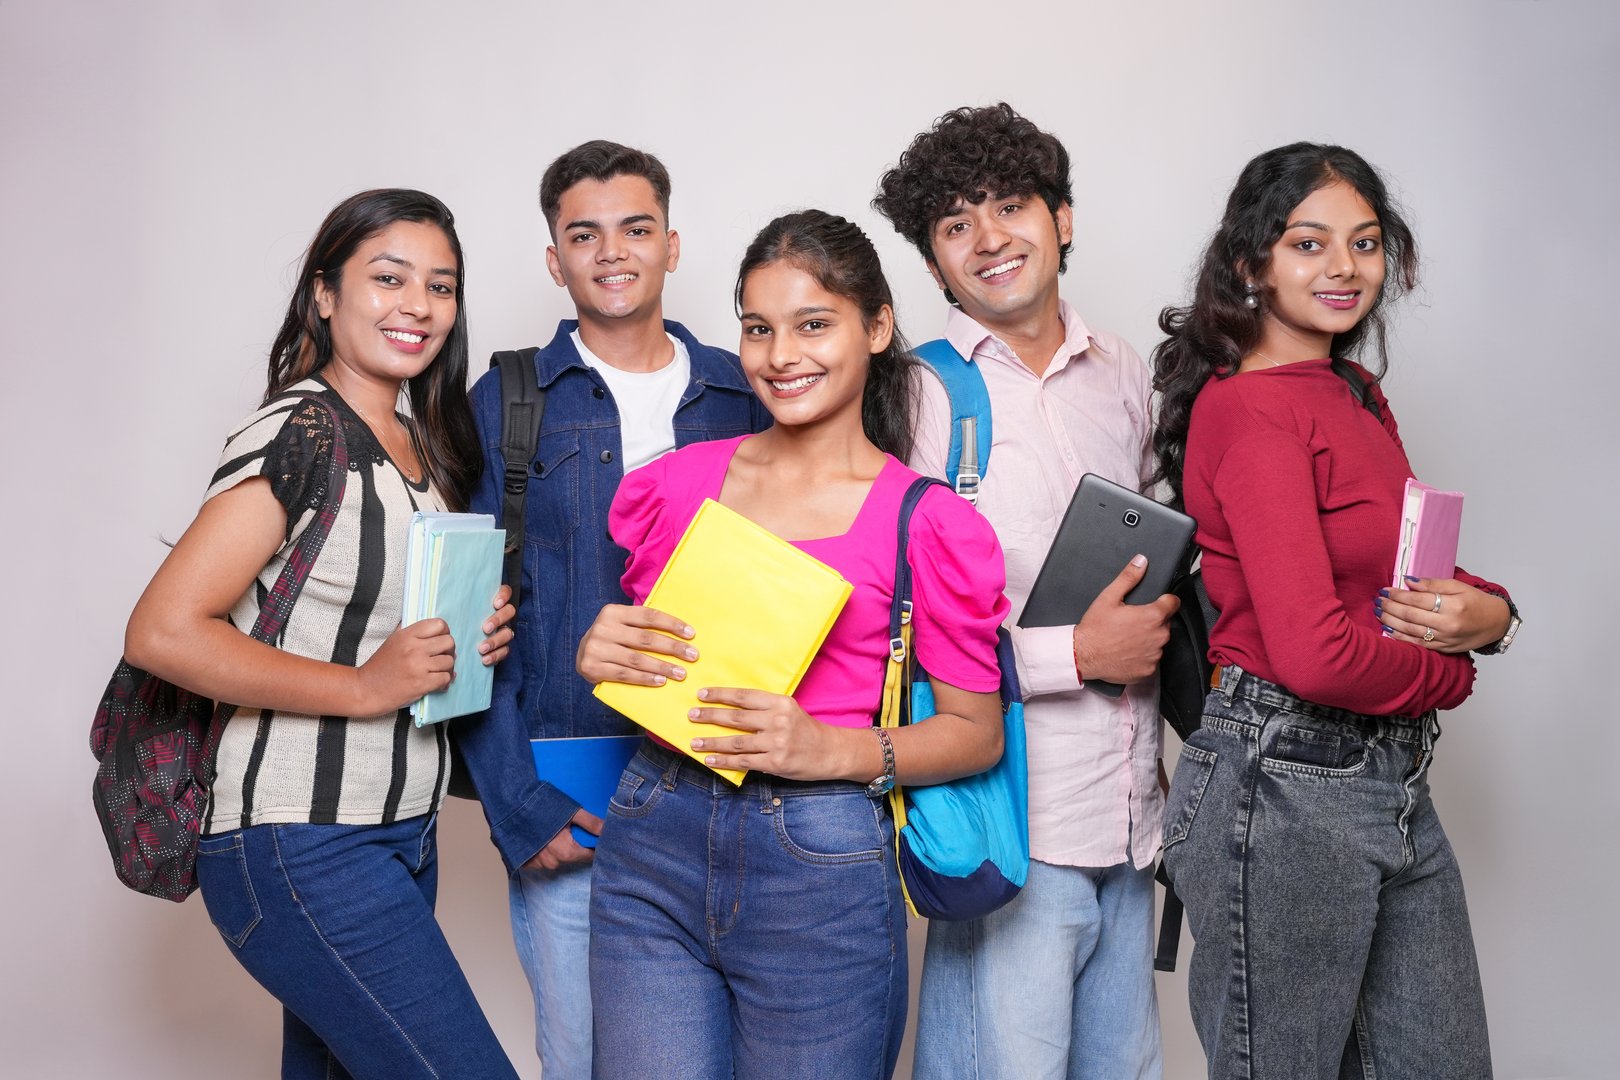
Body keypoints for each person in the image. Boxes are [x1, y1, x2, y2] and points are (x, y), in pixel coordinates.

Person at [574, 209, 1010, 1079]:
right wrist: (602, 654)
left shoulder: (928, 523)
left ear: (877, 328)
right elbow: (649, 656)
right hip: (652, 831)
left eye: (814, 325)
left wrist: (829, 749)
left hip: (821, 861)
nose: (781, 357)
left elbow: (976, 732)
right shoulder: (675, 485)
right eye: (758, 329)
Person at [123, 189, 521, 1079]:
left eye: (440, 286)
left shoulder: (421, 442)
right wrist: (365, 686)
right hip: (301, 840)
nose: (417, 304)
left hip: (397, 835)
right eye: (388, 278)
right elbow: (163, 630)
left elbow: (364, 613)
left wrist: (464, 635)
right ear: (324, 296)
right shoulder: (302, 431)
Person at [1151, 143, 1519, 1079]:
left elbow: (1400, 573)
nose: (1344, 268)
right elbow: (1313, 654)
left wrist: (1495, 611)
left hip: (1390, 779)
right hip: (1279, 783)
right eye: (1309, 244)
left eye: (1363, 243)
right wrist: (1457, 669)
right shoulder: (1250, 411)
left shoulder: (1354, 393)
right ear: (1251, 263)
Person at [449, 140, 769, 1078]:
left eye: (634, 228)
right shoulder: (511, 400)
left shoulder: (744, 392)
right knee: (592, 1060)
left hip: (727, 794)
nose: (612, 252)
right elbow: (469, 617)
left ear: (672, 245)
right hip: (570, 796)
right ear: (555, 260)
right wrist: (516, 804)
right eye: (582, 235)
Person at [873, 103, 1175, 1080]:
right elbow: (886, 631)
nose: (989, 238)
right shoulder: (914, 396)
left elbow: (1160, 560)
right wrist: (1074, 656)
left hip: (1134, 829)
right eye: (956, 224)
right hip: (1011, 832)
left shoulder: (1126, 373)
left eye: (1010, 206)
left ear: (1065, 218)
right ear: (931, 264)